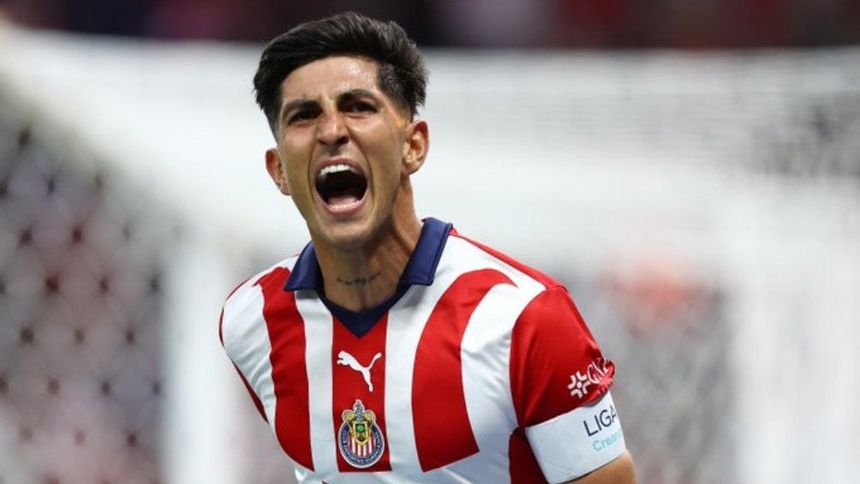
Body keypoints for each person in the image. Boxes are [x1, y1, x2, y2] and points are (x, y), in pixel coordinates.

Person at [219, 11, 635, 483]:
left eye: (358, 106)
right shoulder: (250, 322)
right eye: (304, 115)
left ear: (413, 146)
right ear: (278, 171)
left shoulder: (524, 318)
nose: (331, 131)